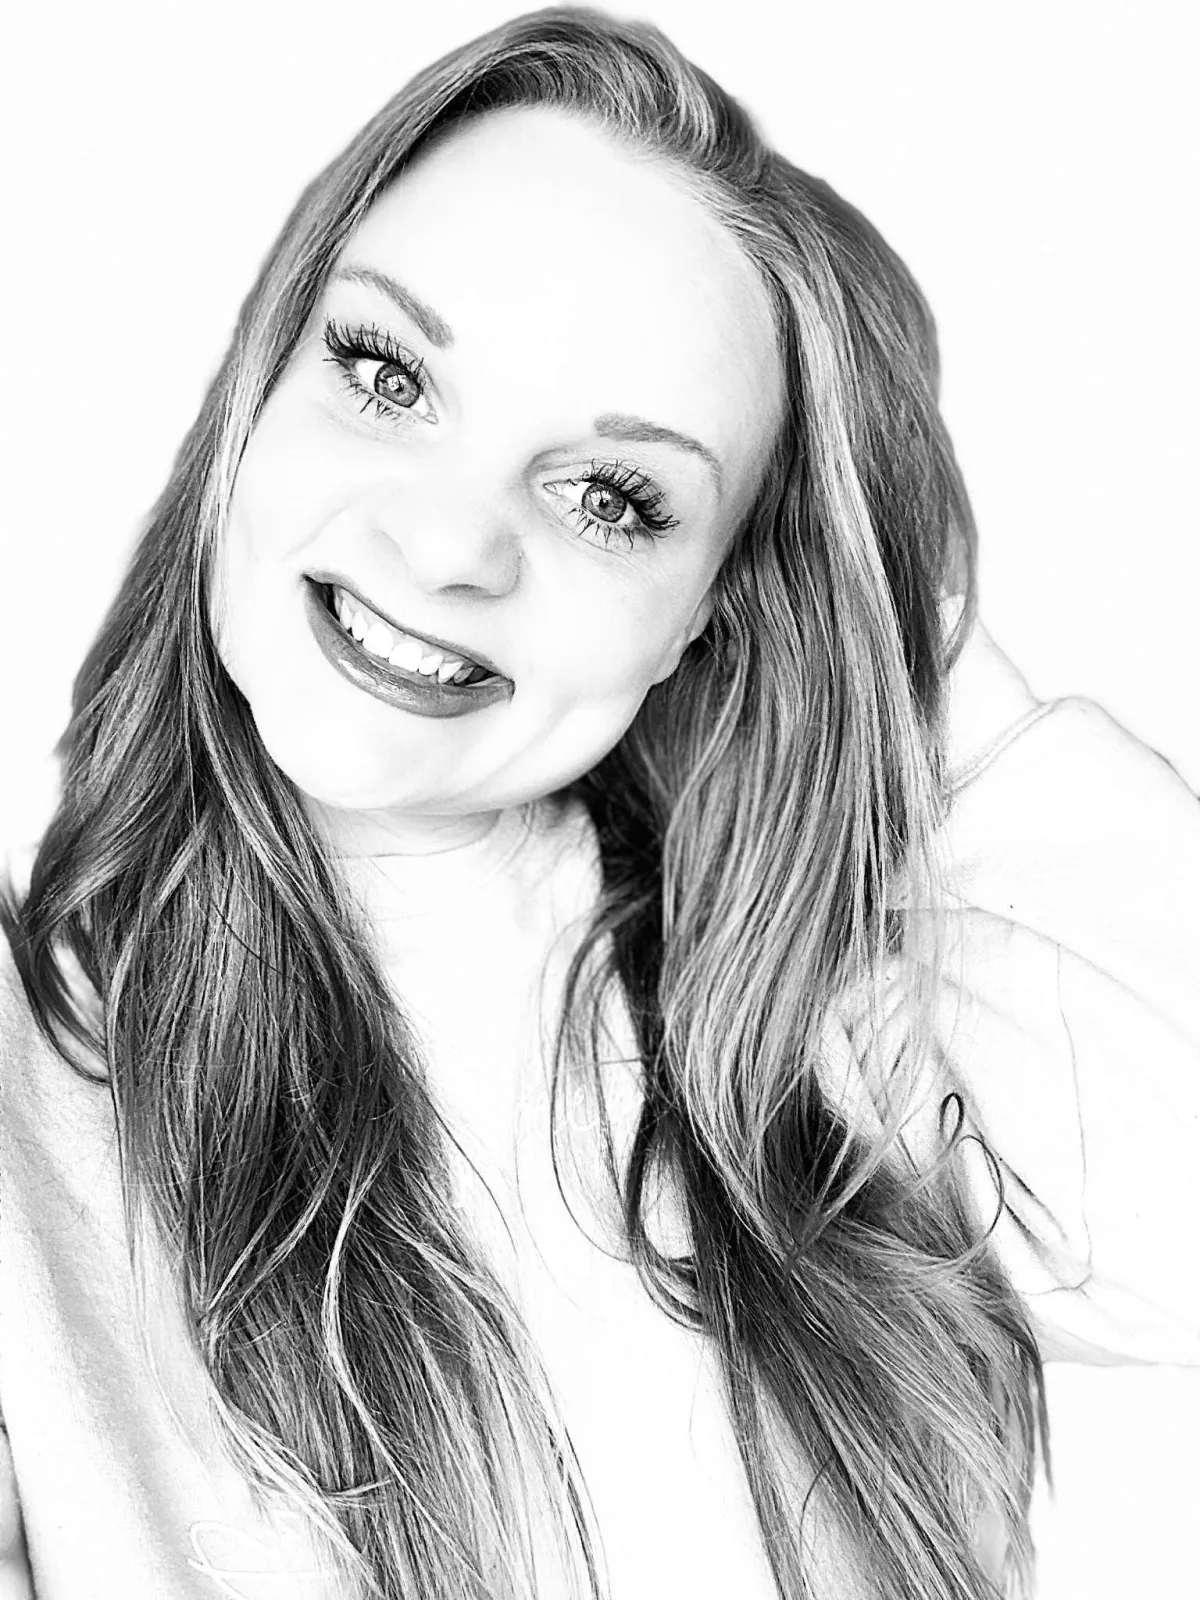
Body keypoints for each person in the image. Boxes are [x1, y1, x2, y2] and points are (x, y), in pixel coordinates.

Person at [1, 7, 1196, 1598]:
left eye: (616, 498)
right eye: (384, 372)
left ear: (714, 607)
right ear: (257, 393)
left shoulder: (814, 1052)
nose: (450, 547)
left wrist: (871, 607)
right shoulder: (33, 1101)